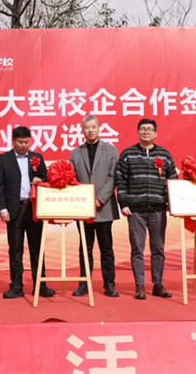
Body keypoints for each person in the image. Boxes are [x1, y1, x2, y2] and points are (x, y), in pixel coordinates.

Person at [115, 118, 177, 300]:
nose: (146, 132)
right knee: (137, 249)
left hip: (158, 209)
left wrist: (171, 203)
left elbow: (172, 180)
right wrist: (123, 203)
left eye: (149, 129)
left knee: (158, 248)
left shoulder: (164, 154)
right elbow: (120, 180)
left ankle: (158, 284)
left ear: (155, 133)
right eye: (142, 129)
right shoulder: (128, 154)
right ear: (137, 132)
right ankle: (139, 286)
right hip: (135, 210)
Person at [0, 126, 55, 299]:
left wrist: (40, 179)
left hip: (33, 209)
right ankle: (16, 286)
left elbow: (47, 178)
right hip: (14, 209)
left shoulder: (37, 157)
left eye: (27, 142)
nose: (23, 145)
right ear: (13, 141)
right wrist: (2, 209)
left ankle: (40, 285)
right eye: (20, 142)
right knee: (15, 249)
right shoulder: (3, 159)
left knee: (37, 249)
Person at [69, 115, 120, 298]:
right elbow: (71, 178)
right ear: (82, 130)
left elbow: (113, 177)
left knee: (106, 248)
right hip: (83, 209)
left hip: (103, 207)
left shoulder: (111, 150)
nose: (90, 130)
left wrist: (100, 199)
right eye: (87, 127)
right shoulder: (76, 153)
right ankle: (84, 283)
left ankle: (109, 283)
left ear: (98, 128)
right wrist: (83, 200)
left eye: (93, 127)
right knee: (85, 247)